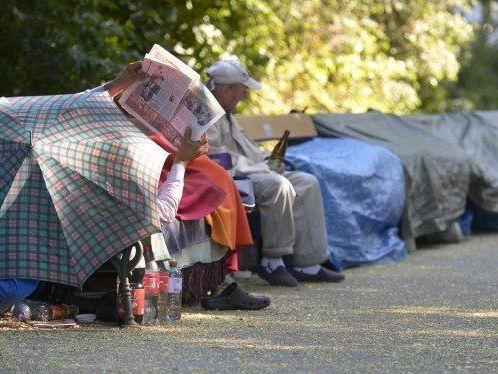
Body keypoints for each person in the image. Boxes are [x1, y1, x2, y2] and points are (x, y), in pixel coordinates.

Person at [206, 59, 345, 287]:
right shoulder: (208, 114)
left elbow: (248, 149)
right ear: (226, 89)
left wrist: (269, 161)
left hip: (252, 172)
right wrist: (264, 168)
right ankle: (273, 260)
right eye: (242, 90)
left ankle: (308, 264)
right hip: (231, 178)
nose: (245, 96)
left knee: (307, 181)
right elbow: (218, 158)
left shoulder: (227, 113)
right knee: (277, 185)